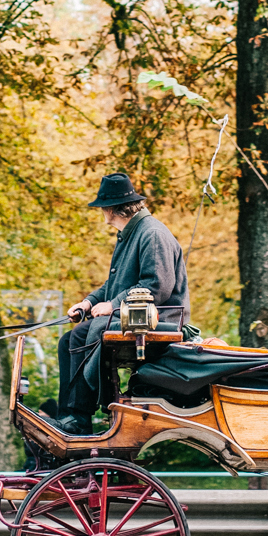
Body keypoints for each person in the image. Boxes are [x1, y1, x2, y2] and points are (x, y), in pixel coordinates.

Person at [52, 173, 189, 435]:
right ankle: (69, 414)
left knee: (83, 334)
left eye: (102, 206)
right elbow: (112, 285)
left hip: (160, 319)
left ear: (113, 208)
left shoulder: (152, 234)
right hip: (133, 314)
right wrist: (88, 302)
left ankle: (79, 417)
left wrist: (113, 304)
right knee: (66, 341)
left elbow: (156, 287)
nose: (101, 212)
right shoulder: (131, 233)